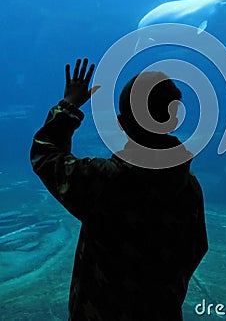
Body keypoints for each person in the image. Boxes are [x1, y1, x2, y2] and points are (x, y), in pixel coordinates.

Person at [30, 58, 208, 321]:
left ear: (121, 123)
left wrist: (69, 105)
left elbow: (45, 155)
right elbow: (198, 246)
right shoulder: (189, 186)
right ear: (174, 121)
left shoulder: (107, 180)